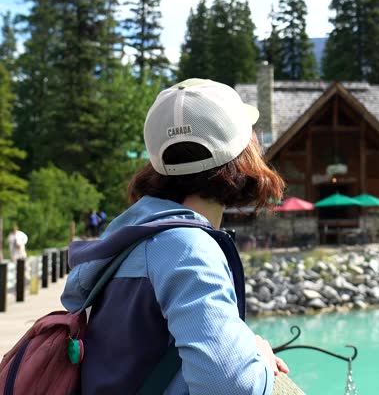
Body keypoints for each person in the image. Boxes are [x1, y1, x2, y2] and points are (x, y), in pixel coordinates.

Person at [62, 79, 288, 394]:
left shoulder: (135, 235)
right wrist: (260, 358)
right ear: (241, 154)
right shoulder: (187, 249)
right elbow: (230, 387)